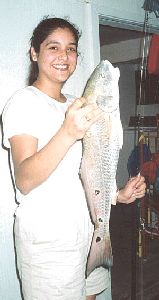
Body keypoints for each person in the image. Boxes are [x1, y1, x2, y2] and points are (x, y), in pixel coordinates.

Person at [2, 17, 146, 300]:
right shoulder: (23, 102)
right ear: (35, 52)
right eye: (53, 47)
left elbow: (83, 170)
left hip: (89, 231)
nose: (63, 57)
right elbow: (25, 179)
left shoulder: (77, 104)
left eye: (71, 49)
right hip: (48, 239)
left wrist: (117, 195)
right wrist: (68, 132)